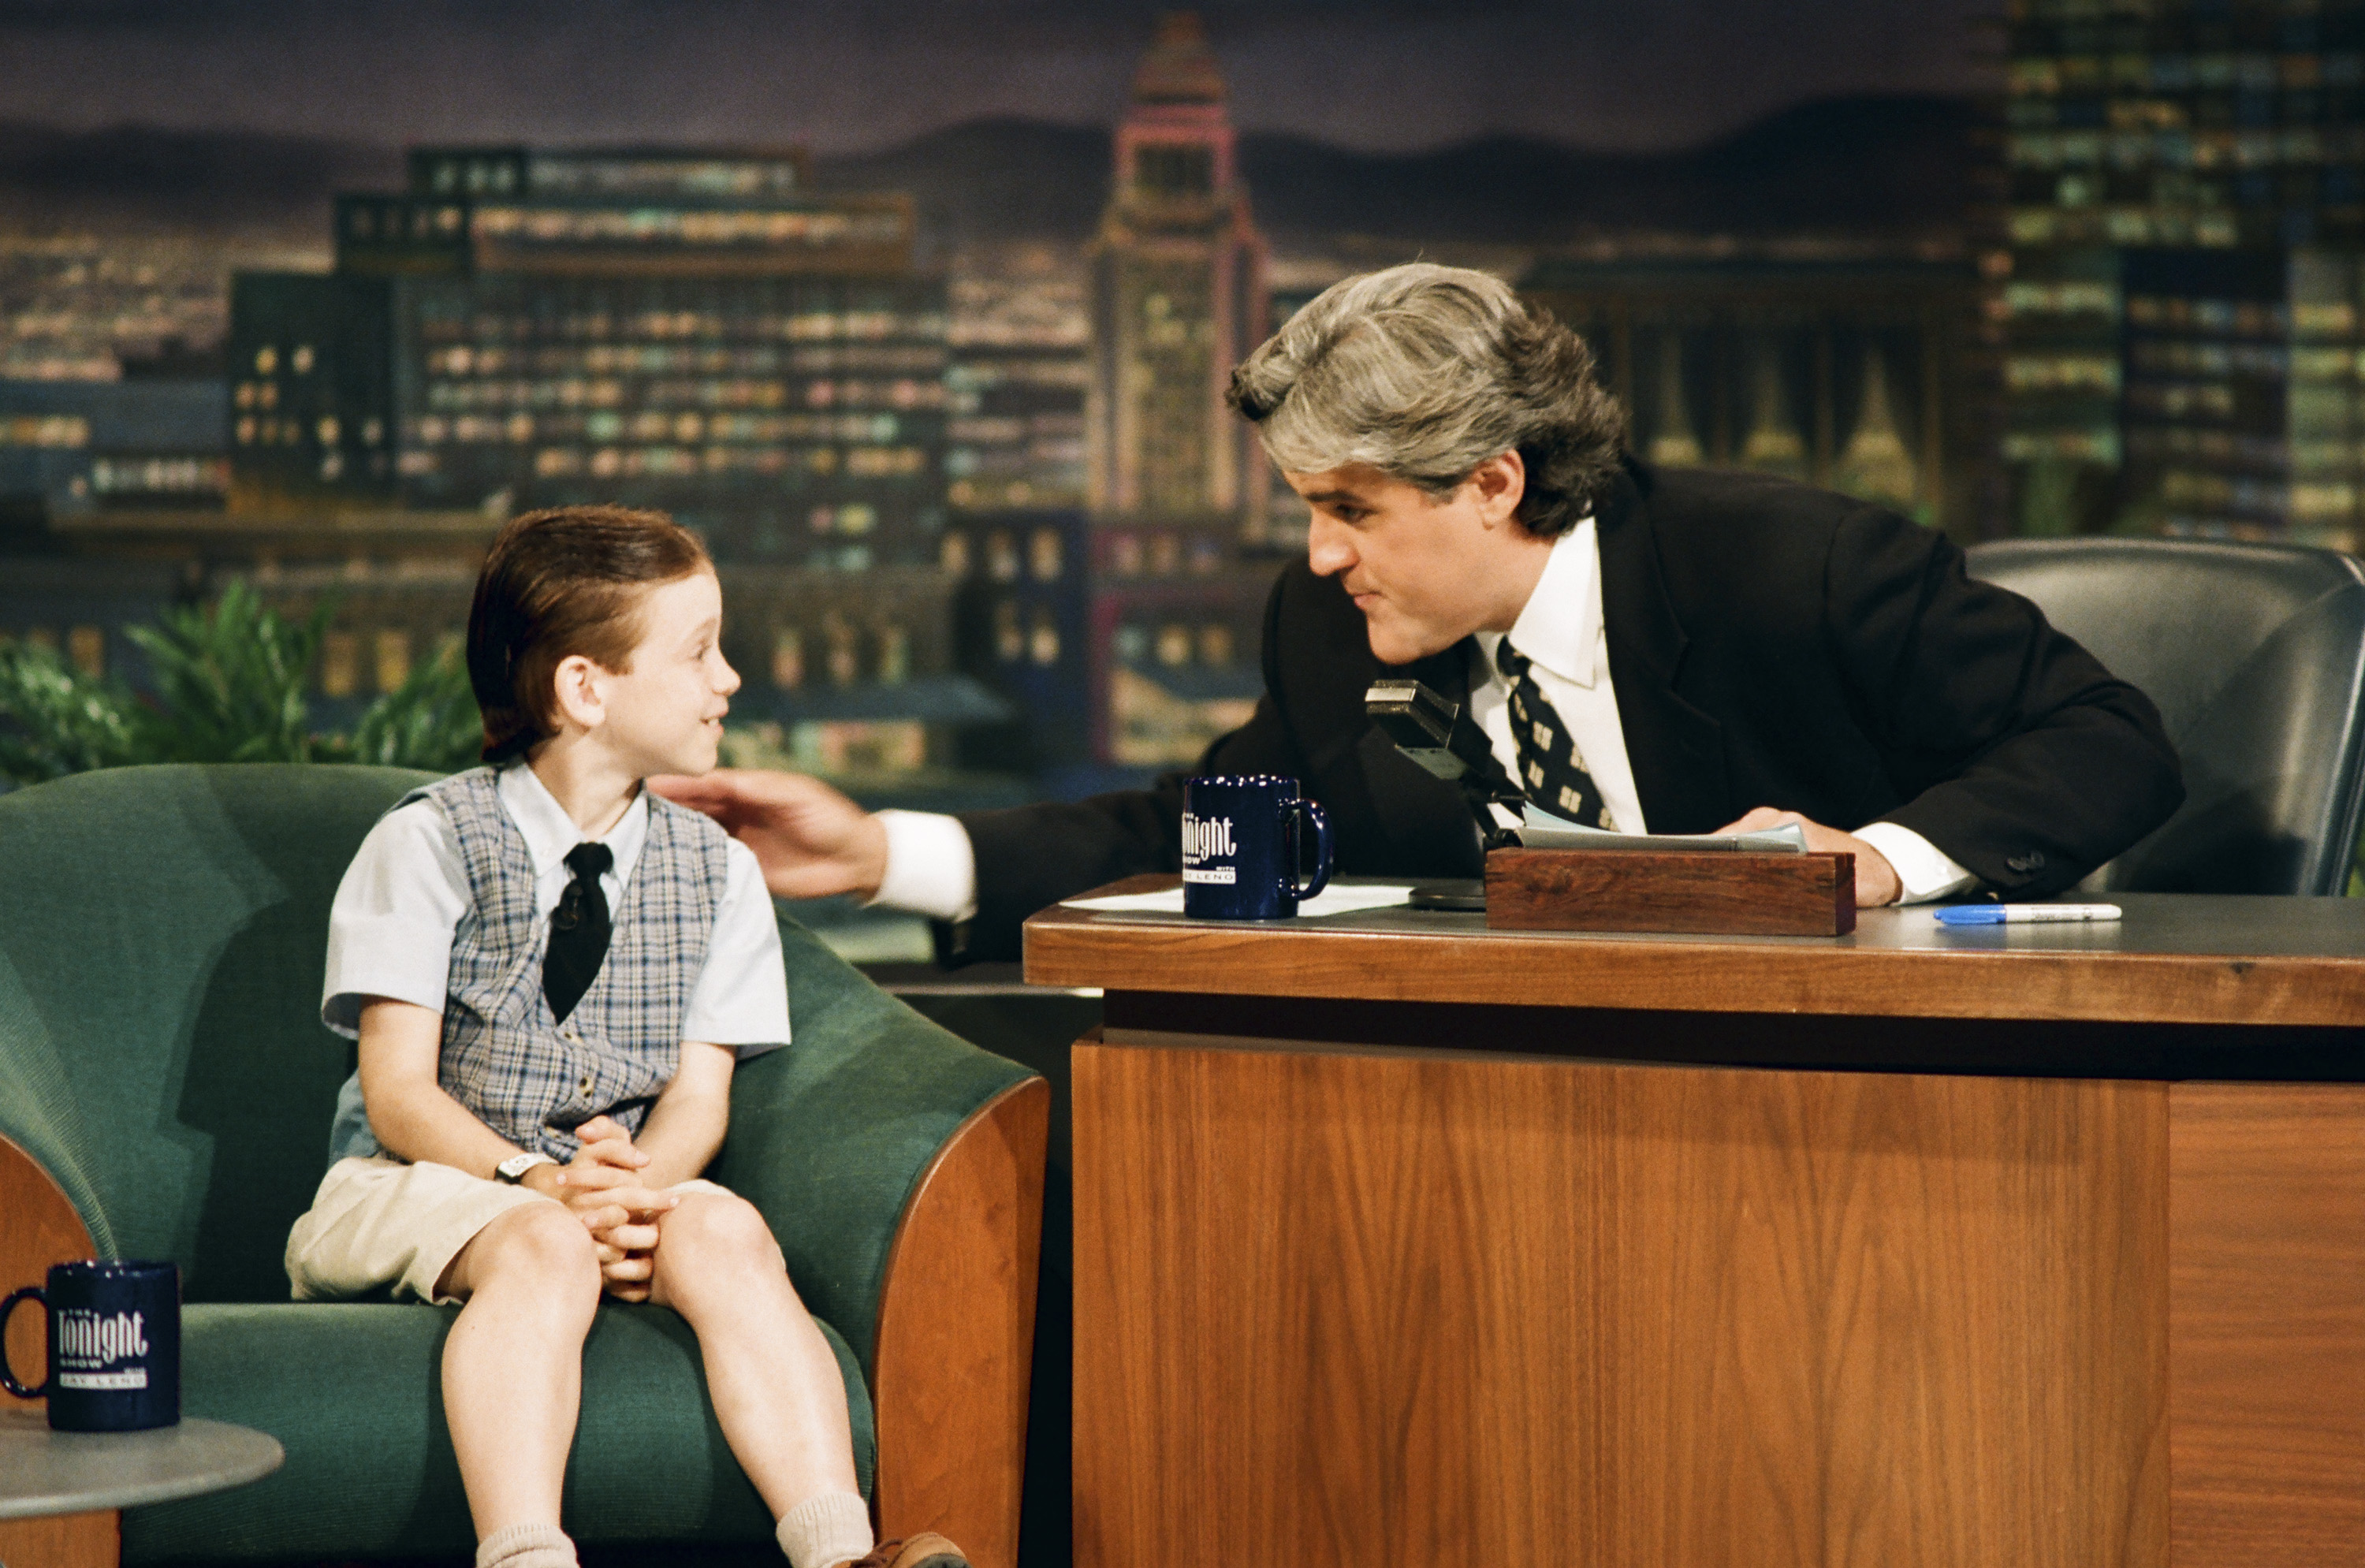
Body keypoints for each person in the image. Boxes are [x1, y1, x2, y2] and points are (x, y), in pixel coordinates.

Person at [656, 263, 2183, 962]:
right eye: (1308, 513)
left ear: (1495, 482)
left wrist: (1880, 863)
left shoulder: (1794, 570)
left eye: (1353, 511)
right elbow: (1203, 825)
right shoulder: (1328, 634)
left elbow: (2112, 737)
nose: (1320, 558)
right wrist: (884, 853)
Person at [284, 505, 965, 1568]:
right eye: (699, 651)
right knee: (544, 1244)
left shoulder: (717, 869)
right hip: (415, 1178)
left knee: (726, 1231)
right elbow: (398, 1094)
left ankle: (841, 1553)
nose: (728, 678)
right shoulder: (426, 841)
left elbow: (699, 1097)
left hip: (613, 1184)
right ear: (584, 688)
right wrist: (539, 1184)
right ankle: (525, 1556)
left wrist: (631, 1188)